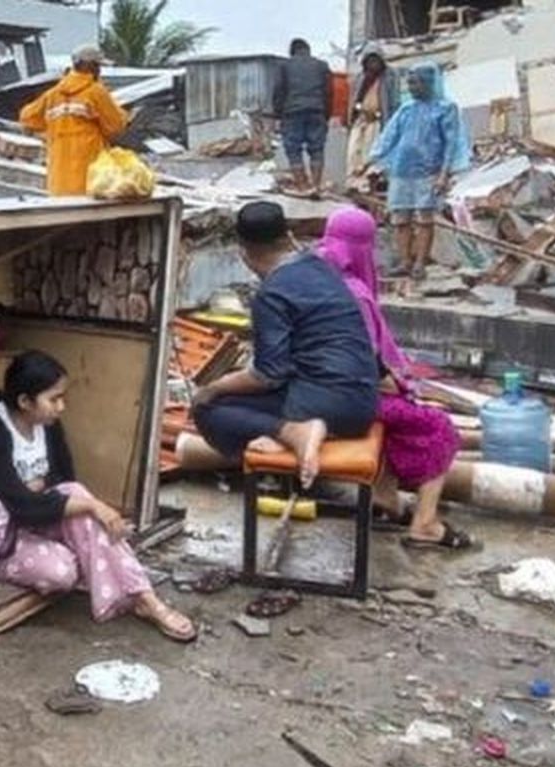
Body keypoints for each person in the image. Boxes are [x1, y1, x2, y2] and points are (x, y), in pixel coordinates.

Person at [0, 350, 196, 642]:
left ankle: (147, 600)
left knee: (76, 499)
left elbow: (62, 479)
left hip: (34, 517)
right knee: (61, 573)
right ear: (25, 402)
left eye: (62, 397)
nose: (61, 407)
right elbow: (20, 506)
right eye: (54, 399)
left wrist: (53, 495)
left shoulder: (47, 425)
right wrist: (87, 504)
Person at [316, 206, 473, 549]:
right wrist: (401, 386)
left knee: (394, 414)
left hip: (314, 390)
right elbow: (365, 364)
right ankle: (426, 523)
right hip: (346, 397)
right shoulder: (353, 293)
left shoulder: (312, 277)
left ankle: (385, 500)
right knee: (439, 426)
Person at [192, 201, 378, 488]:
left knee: (209, 409)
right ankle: (290, 434)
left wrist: (212, 387)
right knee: (244, 399)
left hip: (320, 404)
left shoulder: (272, 293)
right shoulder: (321, 267)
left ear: (243, 252)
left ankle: (293, 432)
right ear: (288, 236)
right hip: (362, 404)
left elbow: (268, 375)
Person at [369, 61, 471, 279]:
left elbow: (451, 143)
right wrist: (373, 158)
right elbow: (389, 136)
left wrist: (444, 174)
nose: (412, 87)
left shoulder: (446, 108)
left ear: (429, 83)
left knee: (425, 219)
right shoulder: (406, 109)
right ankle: (405, 261)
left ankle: (419, 263)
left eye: (416, 83)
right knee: (400, 218)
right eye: (410, 83)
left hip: (429, 172)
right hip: (401, 171)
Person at [19, 44, 128, 196]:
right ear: (92, 66)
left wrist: (49, 130)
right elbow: (116, 127)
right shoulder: (96, 92)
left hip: (58, 179)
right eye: (98, 66)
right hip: (90, 177)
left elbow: (27, 118)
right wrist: (123, 115)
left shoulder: (53, 94)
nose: (100, 71)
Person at [274, 38, 332, 197]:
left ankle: (302, 187)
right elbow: (329, 93)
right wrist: (326, 114)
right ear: (308, 50)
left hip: (292, 112)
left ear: (292, 51)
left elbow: (279, 91)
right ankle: (316, 185)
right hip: (317, 110)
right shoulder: (322, 66)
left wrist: (278, 115)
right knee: (317, 149)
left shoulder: (284, 66)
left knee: (293, 150)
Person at [347, 44, 399, 178]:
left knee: (369, 154)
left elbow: (394, 100)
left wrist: (391, 124)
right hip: (360, 119)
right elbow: (354, 98)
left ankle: (366, 183)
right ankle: (352, 181)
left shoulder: (390, 76)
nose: (373, 64)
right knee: (353, 152)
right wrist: (350, 117)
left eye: (375, 60)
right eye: (370, 61)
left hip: (377, 121)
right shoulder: (361, 77)